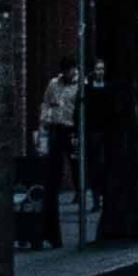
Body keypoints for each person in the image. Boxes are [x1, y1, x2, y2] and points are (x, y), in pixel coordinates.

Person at [34, 62, 83, 246]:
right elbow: (46, 102)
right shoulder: (54, 84)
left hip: (71, 129)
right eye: (66, 71)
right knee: (53, 166)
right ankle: (55, 187)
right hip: (55, 127)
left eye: (71, 70)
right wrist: (44, 119)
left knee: (75, 161)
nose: (69, 73)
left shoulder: (80, 85)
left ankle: (81, 189)